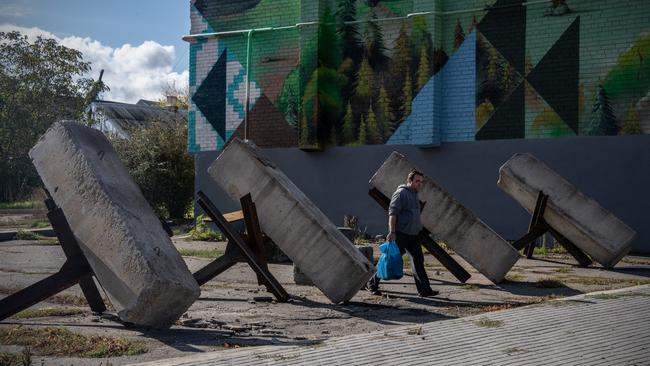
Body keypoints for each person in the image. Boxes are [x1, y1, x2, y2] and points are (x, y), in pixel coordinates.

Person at [367, 170, 438, 297]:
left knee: (418, 261)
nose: (419, 184)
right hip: (400, 234)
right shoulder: (401, 193)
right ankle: (371, 284)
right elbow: (392, 213)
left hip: (413, 235)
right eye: (417, 181)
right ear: (409, 181)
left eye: (421, 182)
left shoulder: (415, 195)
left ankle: (425, 290)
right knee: (388, 259)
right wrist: (392, 231)